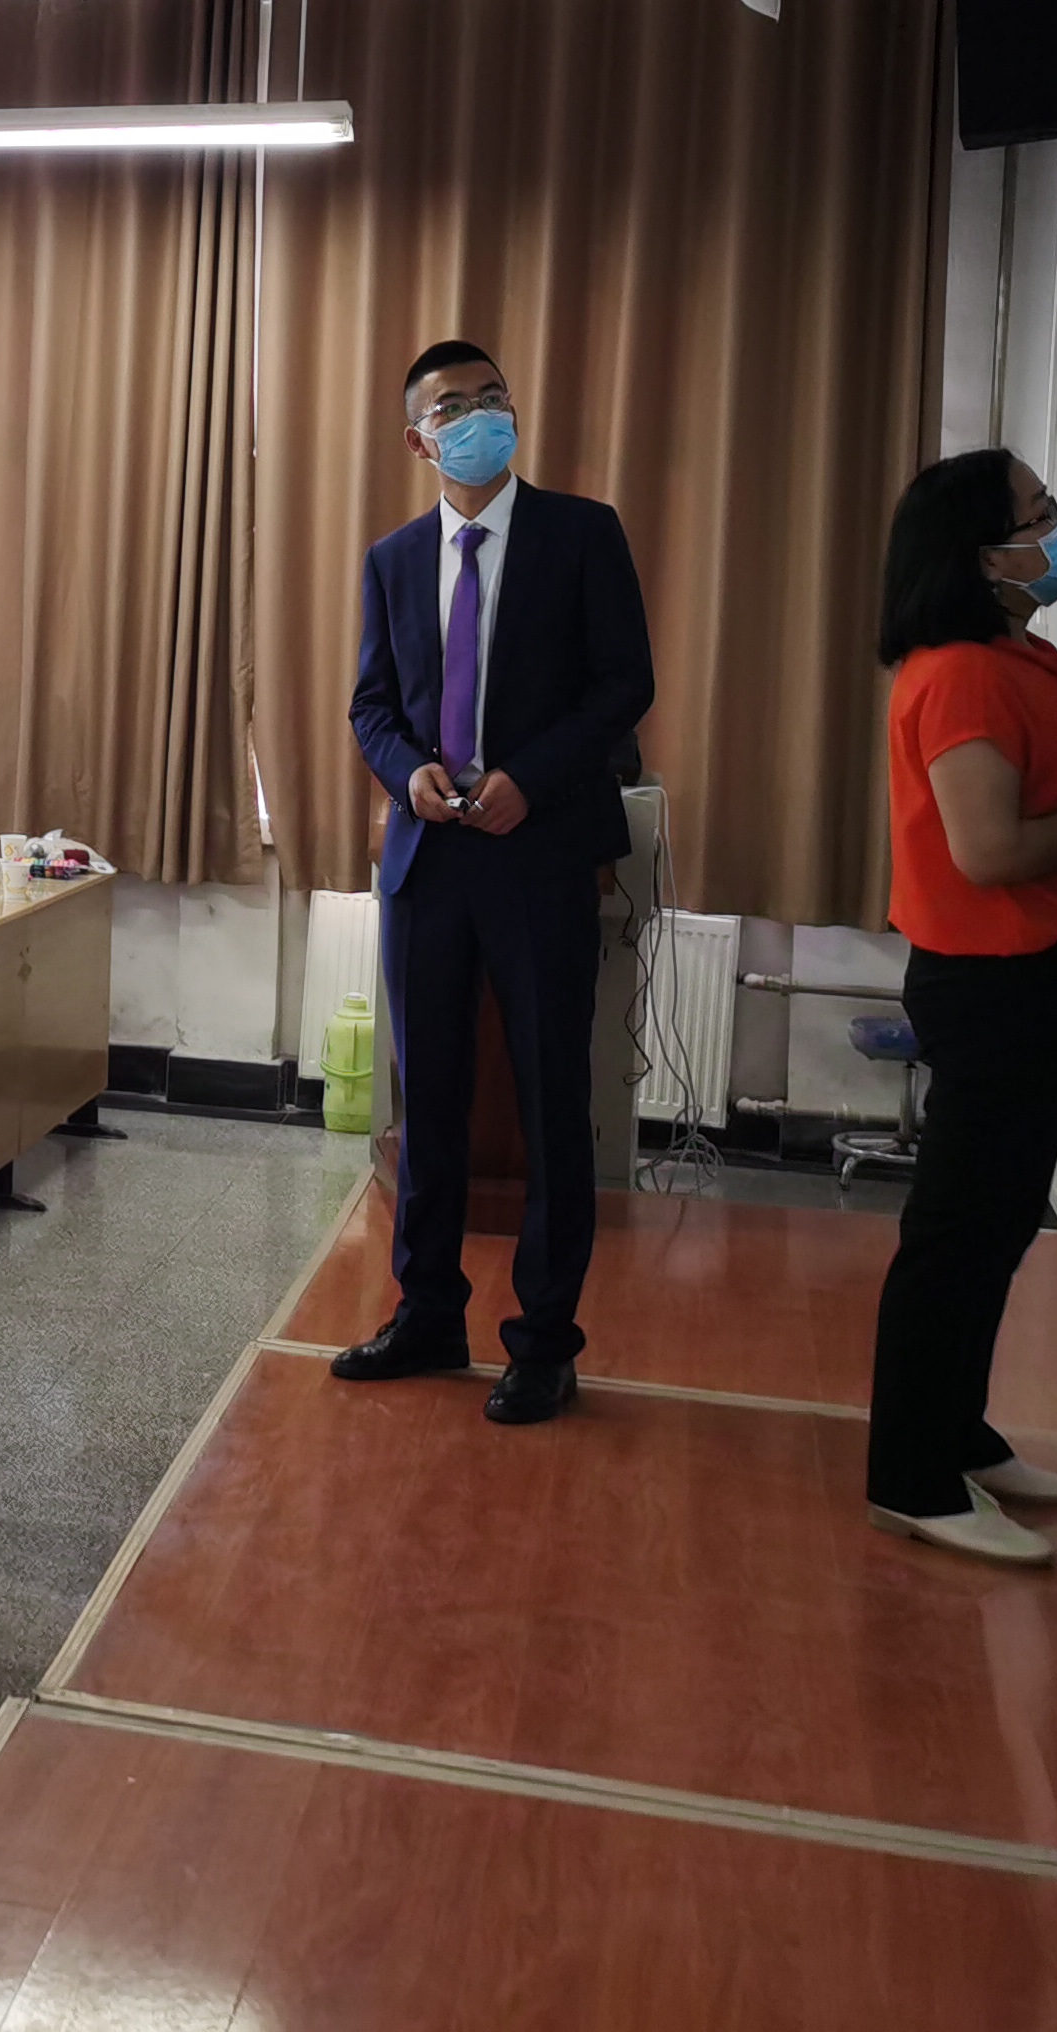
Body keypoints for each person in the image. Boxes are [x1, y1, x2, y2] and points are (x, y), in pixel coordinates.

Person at [865, 449, 1057, 1568]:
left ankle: (958, 1433)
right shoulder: (962, 675)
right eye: (1037, 516)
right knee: (955, 1238)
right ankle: (911, 1478)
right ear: (977, 555)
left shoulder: (1021, 656)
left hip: (1037, 982)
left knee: (997, 1229)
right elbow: (989, 851)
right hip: (992, 987)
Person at [336, 340, 653, 1427]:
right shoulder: (392, 559)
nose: (477, 417)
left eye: (491, 398)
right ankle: (427, 1313)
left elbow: (624, 683)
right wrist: (405, 773)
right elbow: (372, 705)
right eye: (451, 408)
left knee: (552, 1100)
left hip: (541, 850)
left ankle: (544, 1342)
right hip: (429, 860)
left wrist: (531, 778)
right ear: (416, 439)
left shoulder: (582, 533)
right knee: (429, 1100)